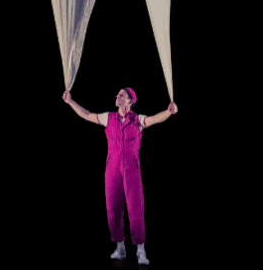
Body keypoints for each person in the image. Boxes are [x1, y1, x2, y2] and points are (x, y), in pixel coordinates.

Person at [62, 87, 178, 265]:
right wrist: (70, 101)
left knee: (136, 208)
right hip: (112, 169)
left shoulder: (137, 120)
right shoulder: (109, 118)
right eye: (117, 94)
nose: (117, 96)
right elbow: (86, 115)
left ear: (130, 101)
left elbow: (155, 119)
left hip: (132, 169)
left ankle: (140, 250)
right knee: (113, 207)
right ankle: (120, 247)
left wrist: (169, 112)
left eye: (122, 95)